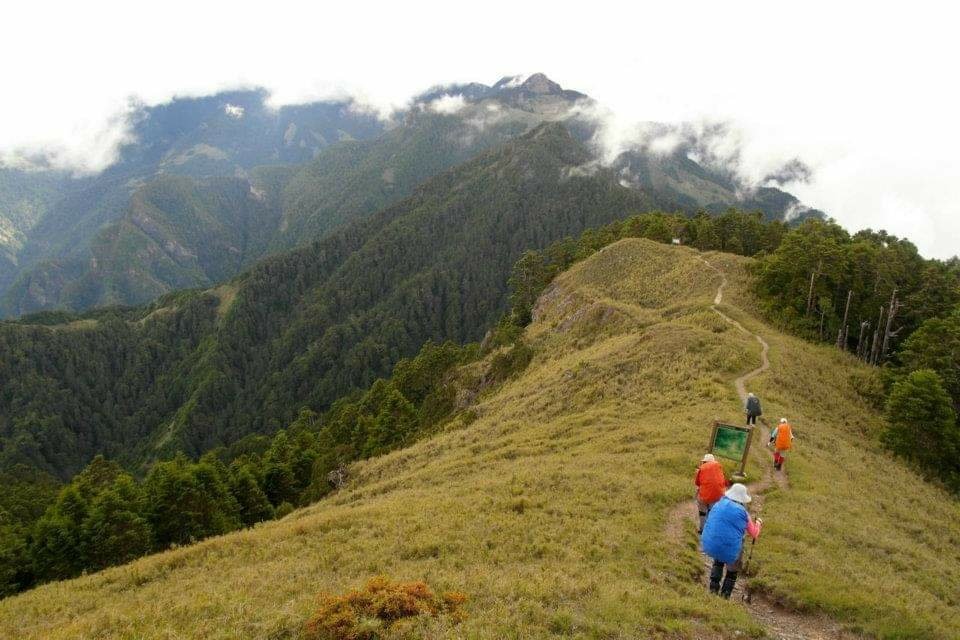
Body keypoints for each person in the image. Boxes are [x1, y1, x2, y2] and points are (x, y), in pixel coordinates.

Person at [701, 483, 762, 598]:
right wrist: (758, 524)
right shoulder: (743, 513)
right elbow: (754, 533)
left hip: (714, 543)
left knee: (718, 560)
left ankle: (713, 589)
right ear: (743, 500)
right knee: (732, 570)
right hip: (731, 549)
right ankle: (725, 595)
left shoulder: (719, 504)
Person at [694, 453, 728, 533]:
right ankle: (710, 530)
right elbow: (723, 481)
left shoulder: (701, 468)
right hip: (718, 496)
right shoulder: (719, 467)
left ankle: (702, 529)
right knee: (712, 512)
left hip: (704, 496)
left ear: (705, 462)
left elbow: (697, 483)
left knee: (702, 510)